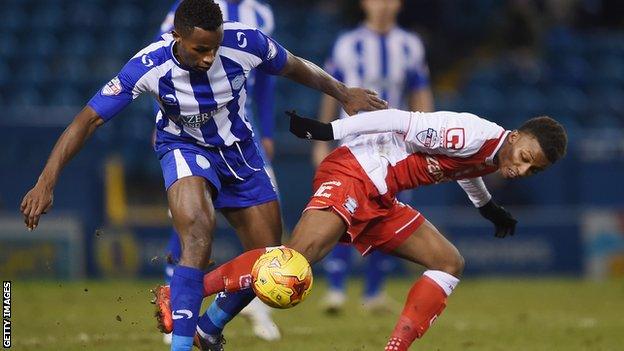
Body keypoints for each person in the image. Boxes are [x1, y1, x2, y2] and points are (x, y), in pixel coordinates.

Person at [18, 1, 387, 350]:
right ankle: (181, 343)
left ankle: (209, 327)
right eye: (199, 49)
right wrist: (46, 182)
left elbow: (294, 66)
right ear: (177, 36)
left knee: (268, 258)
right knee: (196, 236)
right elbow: (88, 119)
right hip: (183, 149)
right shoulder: (149, 65)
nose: (209, 57)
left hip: (240, 152)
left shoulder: (245, 41)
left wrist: (344, 93)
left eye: (214, 47)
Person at [154, 108, 567, 350]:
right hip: (356, 172)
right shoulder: (471, 133)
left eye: (534, 169)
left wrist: (488, 207)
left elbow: (468, 171)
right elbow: (399, 119)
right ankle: (180, 294)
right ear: (516, 136)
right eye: (525, 156)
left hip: (383, 194)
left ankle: (208, 330)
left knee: (448, 261)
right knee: (290, 263)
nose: (522, 168)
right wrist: (327, 131)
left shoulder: (495, 155)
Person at [157, 0, 282, 343]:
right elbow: (163, 62)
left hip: (242, 129)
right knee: (192, 217)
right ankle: (179, 299)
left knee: (268, 236)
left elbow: (267, 78)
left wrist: (267, 130)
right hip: (192, 129)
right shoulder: (188, 11)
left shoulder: (261, 13)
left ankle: (243, 307)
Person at [312, 0, 434, 313]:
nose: (382, 5)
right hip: (353, 142)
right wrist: (323, 138)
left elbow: (420, 91)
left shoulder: (410, 45)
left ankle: (374, 291)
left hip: (396, 147)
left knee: (389, 212)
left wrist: (429, 134)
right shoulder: (347, 44)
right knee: (343, 210)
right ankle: (336, 289)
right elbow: (332, 90)